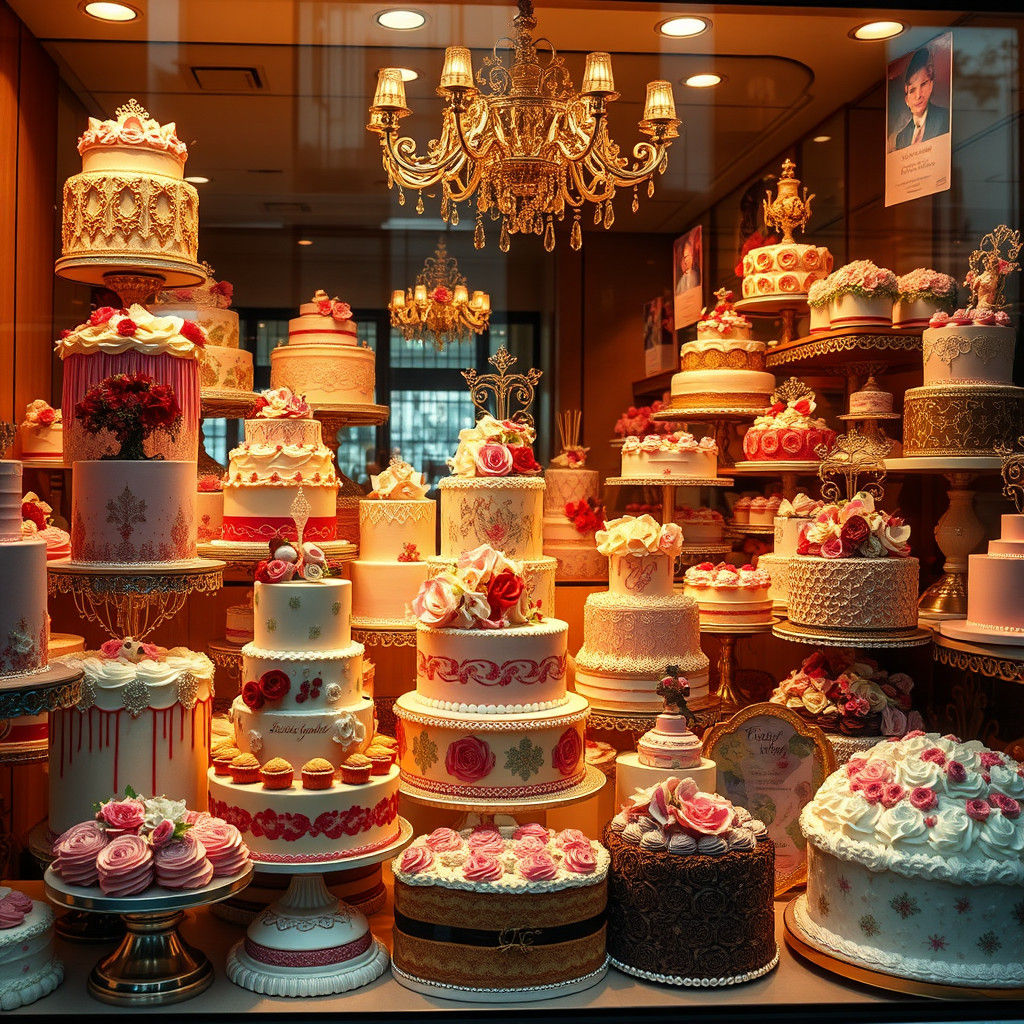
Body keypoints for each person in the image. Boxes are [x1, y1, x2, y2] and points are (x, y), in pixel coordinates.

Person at [893, 46, 949, 151]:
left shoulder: (945, 118)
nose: (918, 95)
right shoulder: (901, 137)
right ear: (906, 99)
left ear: (931, 84)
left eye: (923, 84)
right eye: (912, 90)